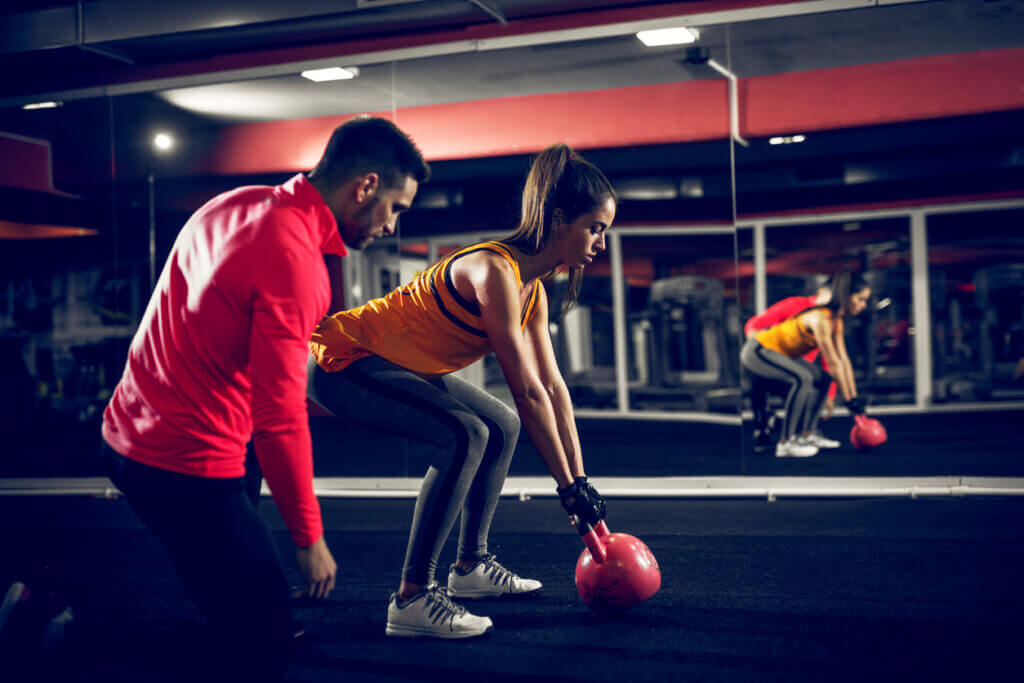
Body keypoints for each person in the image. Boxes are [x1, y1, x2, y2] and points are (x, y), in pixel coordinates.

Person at [100, 116, 429, 679]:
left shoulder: (238, 203)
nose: (392, 226)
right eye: (395, 208)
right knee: (265, 643)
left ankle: (239, 591)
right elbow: (279, 417)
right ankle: (60, 627)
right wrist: (309, 538)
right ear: (365, 186)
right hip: (180, 461)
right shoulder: (295, 261)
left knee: (236, 582)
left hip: (128, 431)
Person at [307, 143, 615, 639]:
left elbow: (553, 388)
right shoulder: (494, 271)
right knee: (466, 433)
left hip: (399, 364)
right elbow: (527, 390)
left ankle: (470, 567)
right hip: (347, 358)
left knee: (501, 426)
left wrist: (580, 481)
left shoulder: (531, 289)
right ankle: (412, 597)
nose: (601, 241)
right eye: (595, 228)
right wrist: (566, 489)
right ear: (559, 220)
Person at [740, 272, 871, 458]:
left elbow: (843, 360)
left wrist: (853, 398)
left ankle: (806, 435)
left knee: (822, 378)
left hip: (780, 355)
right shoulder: (820, 318)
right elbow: (833, 361)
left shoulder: (836, 321)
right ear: (844, 296)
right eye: (860, 299)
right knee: (804, 378)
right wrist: (848, 401)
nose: (863, 305)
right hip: (758, 351)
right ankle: (786, 443)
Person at [744, 281, 839, 452]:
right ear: (821, 292)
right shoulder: (795, 305)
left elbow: (829, 358)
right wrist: (775, 350)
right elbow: (753, 326)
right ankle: (764, 428)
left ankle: (798, 430)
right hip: (775, 365)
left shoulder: (830, 318)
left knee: (808, 383)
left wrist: (830, 395)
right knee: (759, 376)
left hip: (801, 371)